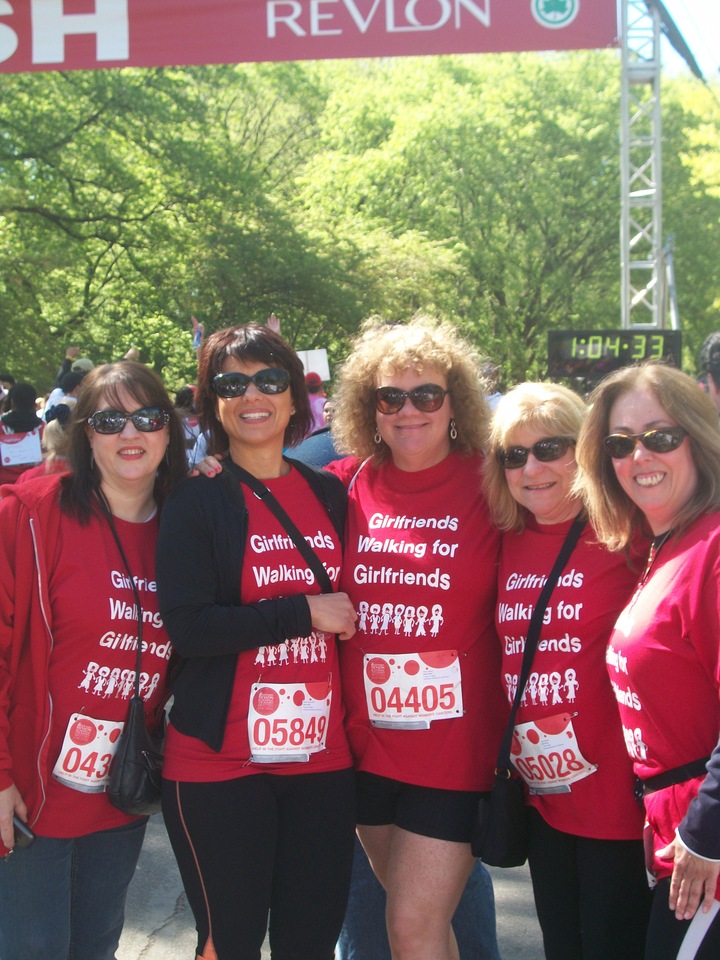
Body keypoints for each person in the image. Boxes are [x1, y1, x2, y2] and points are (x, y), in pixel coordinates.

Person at [155, 324, 357, 960]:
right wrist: (303, 612)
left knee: (310, 944)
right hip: (219, 762)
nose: (253, 394)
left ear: (296, 397)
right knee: (230, 944)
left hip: (321, 763)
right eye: (231, 382)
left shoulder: (328, 492)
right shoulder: (195, 498)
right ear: (211, 402)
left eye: (270, 380)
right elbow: (189, 627)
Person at [326, 314, 506, 960]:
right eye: (390, 397)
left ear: (454, 403)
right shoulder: (345, 484)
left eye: (426, 394)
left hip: (453, 756)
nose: (409, 411)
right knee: (424, 930)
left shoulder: (494, 481)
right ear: (369, 410)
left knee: (410, 926)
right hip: (365, 747)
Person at [0, 361, 187, 960]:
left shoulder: (188, 524)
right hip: (30, 791)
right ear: (85, 434)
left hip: (121, 788)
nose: (129, 434)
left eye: (146, 417)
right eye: (109, 420)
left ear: (169, 430)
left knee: (98, 944)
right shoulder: (31, 515)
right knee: (33, 948)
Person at [482, 381, 651, 960]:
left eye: (550, 448)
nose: (532, 467)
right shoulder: (505, 537)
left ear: (584, 450)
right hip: (543, 800)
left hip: (618, 803)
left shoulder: (631, 532)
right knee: (562, 947)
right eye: (514, 454)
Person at [575, 361, 720, 960]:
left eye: (661, 436)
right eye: (620, 443)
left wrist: (708, 834)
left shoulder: (712, 549)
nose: (640, 457)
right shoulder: (662, 547)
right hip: (673, 835)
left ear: (699, 436)